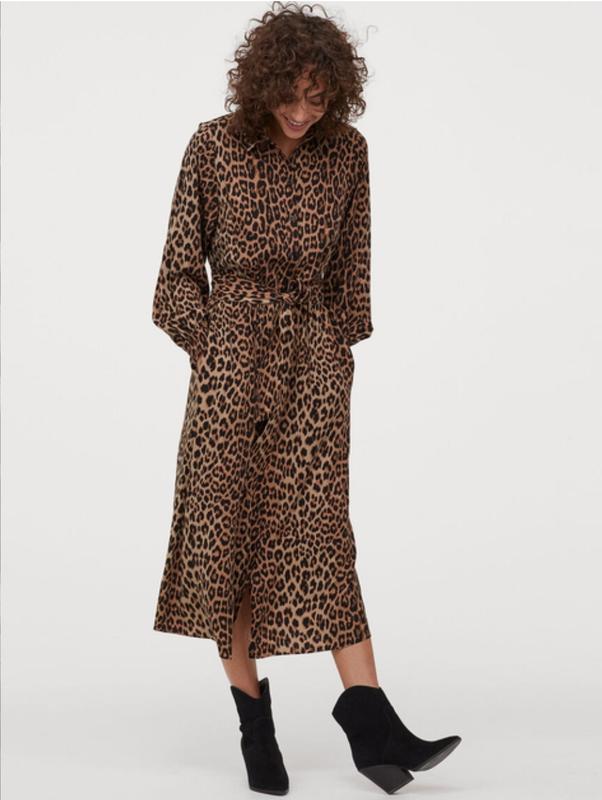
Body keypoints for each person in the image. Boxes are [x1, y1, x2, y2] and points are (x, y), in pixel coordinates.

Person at [151, 2, 461, 795]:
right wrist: (214, 347)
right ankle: (255, 728)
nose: (301, 112)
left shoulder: (348, 153)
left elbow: (354, 275)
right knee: (226, 543)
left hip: (312, 373)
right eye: (290, 95)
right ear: (262, 84)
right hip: (230, 372)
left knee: (324, 534)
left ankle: (371, 721)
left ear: (337, 95)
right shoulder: (213, 145)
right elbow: (175, 278)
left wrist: (332, 356)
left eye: (318, 99)